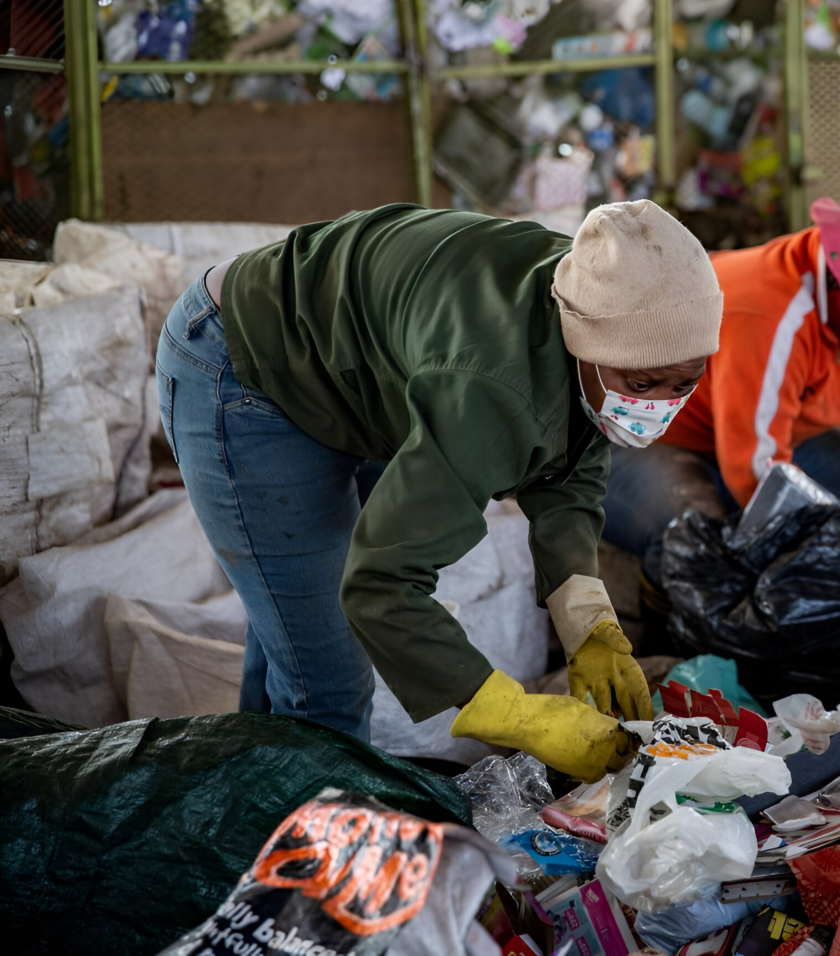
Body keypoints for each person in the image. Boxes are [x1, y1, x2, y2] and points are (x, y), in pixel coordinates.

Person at [155, 199, 722, 782]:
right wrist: (510, 713)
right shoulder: (491, 386)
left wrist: (588, 622)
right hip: (245, 363)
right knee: (327, 681)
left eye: (683, 382)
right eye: (642, 383)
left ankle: (254, 813)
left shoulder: (600, 304)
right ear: (585, 343)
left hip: (359, 372)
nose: (655, 405)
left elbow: (569, 464)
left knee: (297, 626)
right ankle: (315, 862)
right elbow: (382, 584)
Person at [601, 184, 840, 593]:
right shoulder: (771, 315)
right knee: (697, 544)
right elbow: (758, 471)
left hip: (746, 432)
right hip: (641, 433)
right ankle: (662, 635)